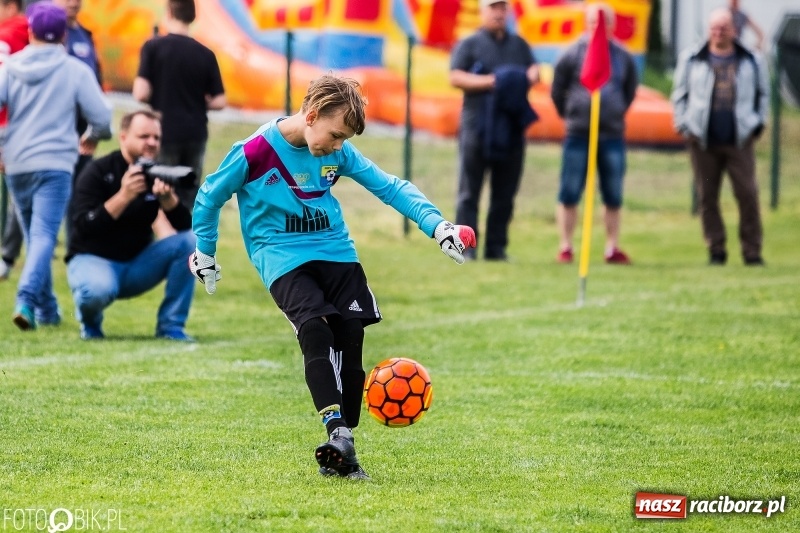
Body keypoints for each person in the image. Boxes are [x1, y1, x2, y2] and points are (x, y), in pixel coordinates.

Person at [189, 74, 476, 479]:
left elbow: (391, 187)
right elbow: (210, 195)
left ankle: (343, 443)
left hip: (335, 249)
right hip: (280, 255)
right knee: (316, 329)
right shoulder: (253, 153)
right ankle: (337, 431)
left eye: (344, 139)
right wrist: (205, 250)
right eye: (336, 135)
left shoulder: (337, 152)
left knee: (350, 333)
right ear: (311, 115)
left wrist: (438, 226)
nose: (339, 147)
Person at [0, 2, 111, 331]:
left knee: (37, 235)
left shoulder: (9, 67)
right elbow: (103, 118)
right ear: (64, 35)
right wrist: (92, 135)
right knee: (45, 234)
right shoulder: (74, 70)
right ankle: (27, 297)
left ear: (30, 31)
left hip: (16, 163)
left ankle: (47, 310)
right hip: (57, 162)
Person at [66, 110, 197, 341]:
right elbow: (83, 226)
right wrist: (124, 195)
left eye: (156, 137)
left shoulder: (155, 172)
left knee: (190, 243)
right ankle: (90, 323)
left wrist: (167, 200)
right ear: (124, 137)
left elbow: (183, 226)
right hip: (94, 260)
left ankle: (171, 327)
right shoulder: (97, 171)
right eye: (144, 136)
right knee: (95, 291)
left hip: (137, 265)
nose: (151, 142)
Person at [672, 8, 768, 266]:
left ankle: (752, 251)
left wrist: (757, 124)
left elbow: (763, 95)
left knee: (747, 194)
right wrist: (683, 125)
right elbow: (679, 95)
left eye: (723, 28)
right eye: (714, 28)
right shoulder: (693, 59)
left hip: (739, 139)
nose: (718, 32)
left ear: (733, 30)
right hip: (702, 141)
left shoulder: (751, 60)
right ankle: (716, 249)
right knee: (707, 196)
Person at [449, 0, 539, 261]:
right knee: (469, 191)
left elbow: (533, 70)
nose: (499, 13)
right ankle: (466, 247)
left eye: (502, 8)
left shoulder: (518, 45)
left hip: (510, 128)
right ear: (483, 11)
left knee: (505, 192)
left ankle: (496, 249)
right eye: (493, 7)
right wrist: (493, 81)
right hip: (476, 127)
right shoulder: (470, 44)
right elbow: (455, 76)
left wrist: (526, 77)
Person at [550, 2, 638, 265]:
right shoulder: (571, 53)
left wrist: (616, 111)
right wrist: (571, 113)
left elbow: (630, 90)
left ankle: (612, 246)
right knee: (569, 190)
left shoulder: (623, 56)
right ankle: (566, 245)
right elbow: (557, 89)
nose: (598, 27)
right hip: (578, 133)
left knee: (613, 192)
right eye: (593, 21)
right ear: (585, 23)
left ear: (613, 25)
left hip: (611, 135)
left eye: (604, 22)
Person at [132, 0, 225, 213]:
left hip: (162, 132)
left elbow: (140, 92)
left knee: (160, 191)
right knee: (188, 197)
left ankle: (166, 240)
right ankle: (188, 241)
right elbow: (220, 101)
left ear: (170, 11)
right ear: (192, 16)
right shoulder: (205, 53)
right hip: (195, 133)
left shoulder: (153, 46)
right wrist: (196, 100)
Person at [52, 0, 104, 248]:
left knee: (81, 187)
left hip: (83, 128)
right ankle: (13, 252)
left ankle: (76, 242)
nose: (73, 2)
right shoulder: (47, 34)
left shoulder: (86, 35)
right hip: (55, 126)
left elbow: (96, 81)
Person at [0, 0, 28, 281]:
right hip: (28, 126)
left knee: (17, 196)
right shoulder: (37, 32)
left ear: (9, 5)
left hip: (6, 122)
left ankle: (7, 256)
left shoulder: (5, 35)